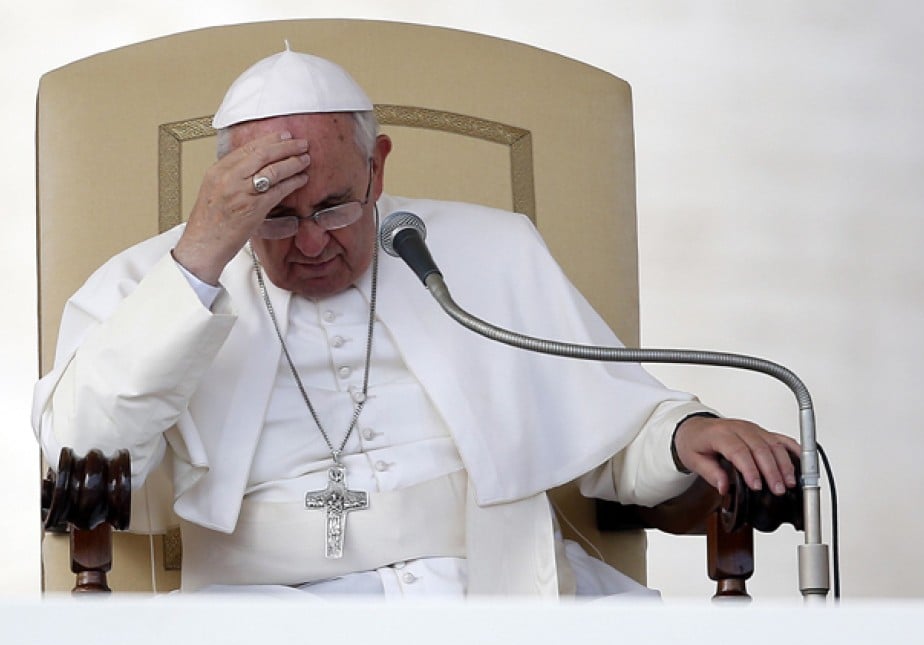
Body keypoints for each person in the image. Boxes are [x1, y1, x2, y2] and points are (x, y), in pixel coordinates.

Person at [32, 47, 798, 598]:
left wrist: (682, 433)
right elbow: (79, 451)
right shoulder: (151, 280)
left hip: (500, 594)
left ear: (380, 167)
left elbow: (606, 423)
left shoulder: (486, 250)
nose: (310, 242)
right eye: (274, 217)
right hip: (265, 621)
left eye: (334, 204)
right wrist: (200, 258)